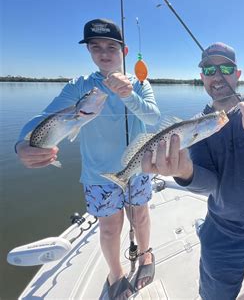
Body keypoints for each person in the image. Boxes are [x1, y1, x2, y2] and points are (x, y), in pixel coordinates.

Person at [15, 19, 161, 299]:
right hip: (97, 174)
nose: (104, 54)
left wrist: (129, 94)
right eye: (96, 48)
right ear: (90, 52)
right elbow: (42, 119)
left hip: (138, 169)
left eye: (111, 47)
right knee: (109, 229)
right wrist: (22, 144)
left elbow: (153, 119)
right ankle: (115, 273)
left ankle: (145, 255)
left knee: (140, 215)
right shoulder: (79, 87)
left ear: (125, 51)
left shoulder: (141, 84)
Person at [142, 42, 244, 300]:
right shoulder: (197, 126)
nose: (218, 75)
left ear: (238, 74)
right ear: (202, 78)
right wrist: (185, 171)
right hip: (222, 234)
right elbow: (210, 184)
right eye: (210, 70)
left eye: (225, 68)